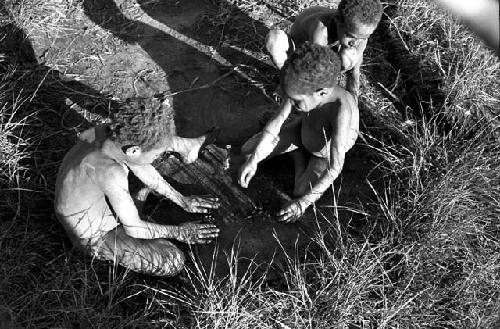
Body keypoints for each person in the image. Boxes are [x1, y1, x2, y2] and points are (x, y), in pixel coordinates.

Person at [54, 98, 221, 276]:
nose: (158, 157)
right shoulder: (110, 172)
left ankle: (138, 203)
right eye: (157, 154)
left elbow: (138, 163)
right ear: (133, 150)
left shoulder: (107, 134)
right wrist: (180, 232)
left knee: (142, 173)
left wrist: (183, 201)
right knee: (172, 261)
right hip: (97, 236)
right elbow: (134, 228)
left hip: (101, 200)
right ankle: (138, 209)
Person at [238, 43, 359, 222]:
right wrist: (254, 160)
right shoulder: (301, 86)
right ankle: (296, 149)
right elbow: (276, 122)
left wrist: (303, 203)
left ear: (322, 93)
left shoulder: (341, 111)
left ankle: (298, 157)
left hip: (323, 153)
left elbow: (335, 166)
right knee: (247, 151)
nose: (291, 104)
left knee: (301, 192)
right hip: (303, 130)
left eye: (296, 101)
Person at [265, 0, 383, 97]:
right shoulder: (321, 31)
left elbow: (354, 73)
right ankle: (287, 80)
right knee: (274, 40)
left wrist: (353, 101)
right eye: (352, 37)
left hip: (324, 50)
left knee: (349, 59)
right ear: (338, 20)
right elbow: (313, 68)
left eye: (364, 37)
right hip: (298, 51)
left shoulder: (360, 34)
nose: (356, 42)